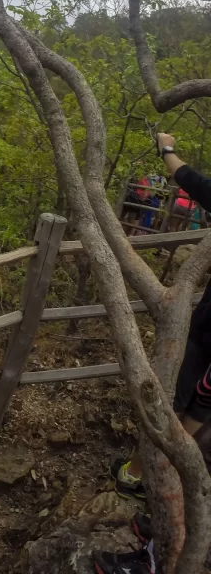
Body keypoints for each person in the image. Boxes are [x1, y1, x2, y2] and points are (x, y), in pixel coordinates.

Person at [112, 133, 211, 503]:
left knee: (179, 401)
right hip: (203, 327)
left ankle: (139, 475)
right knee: (195, 404)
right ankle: (158, 475)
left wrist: (166, 148)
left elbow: (189, 179)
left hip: (204, 330)